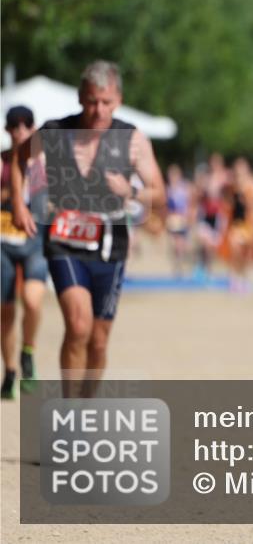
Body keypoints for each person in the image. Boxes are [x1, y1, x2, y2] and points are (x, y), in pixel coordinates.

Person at [9, 60, 165, 398]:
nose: (98, 110)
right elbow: (19, 159)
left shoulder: (132, 140)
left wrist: (131, 191)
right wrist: (20, 205)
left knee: (98, 339)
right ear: (81, 98)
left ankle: (86, 405)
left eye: (106, 102)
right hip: (65, 243)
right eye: (92, 101)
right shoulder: (55, 133)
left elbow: (160, 193)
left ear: (118, 100)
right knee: (78, 325)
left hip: (111, 248)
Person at [1, 106, 49, 399]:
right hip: (4, 242)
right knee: (5, 312)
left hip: (36, 241)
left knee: (32, 301)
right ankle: (9, 372)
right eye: (15, 126)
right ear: (7, 131)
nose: (20, 130)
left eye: (26, 125)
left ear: (34, 128)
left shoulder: (44, 164)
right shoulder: (3, 162)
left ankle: (27, 351)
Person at [220, 157, 253, 293]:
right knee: (234, 248)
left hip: (248, 223)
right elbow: (226, 202)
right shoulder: (232, 186)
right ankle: (233, 279)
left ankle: (243, 278)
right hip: (235, 224)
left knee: (246, 254)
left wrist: (246, 198)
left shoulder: (252, 185)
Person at [193, 153, 229, 279]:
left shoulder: (225, 178)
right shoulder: (206, 178)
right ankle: (202, 268)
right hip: (206, 214)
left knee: (212, 246)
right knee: (204, 243)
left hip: (217, 215)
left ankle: (208, 269)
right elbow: (198, 195)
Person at [165, 164, 194, 276]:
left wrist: (189, 217)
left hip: (182, 219)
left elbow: (190, 203)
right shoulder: (168, 189)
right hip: (172, 219)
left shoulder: (185, 188)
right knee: (174, 244)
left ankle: (179, 265)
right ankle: (176, 263)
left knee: (181, 244)